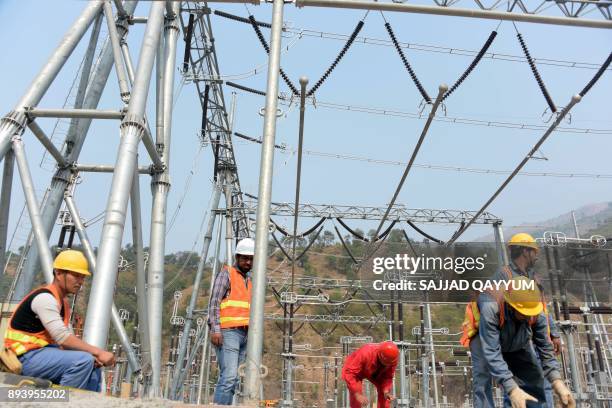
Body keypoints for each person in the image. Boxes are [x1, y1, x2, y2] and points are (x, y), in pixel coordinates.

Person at [4, 250, 115, 391]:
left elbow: (65, 344)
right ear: (58, 273)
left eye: (82, 277)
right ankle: (62, 402)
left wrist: (94, 357)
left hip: (41, 355)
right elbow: (63, 338)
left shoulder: (63, 305)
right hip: (24, 358)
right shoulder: (45, 298)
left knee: (93, 365)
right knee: (83, 361)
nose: (80, 282)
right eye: (76, 276)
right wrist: (99, 352)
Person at [461, 276, 575, 408]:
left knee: (533, 376)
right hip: (483, 336)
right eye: (524, 313)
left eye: (530, 313)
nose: (528, 317)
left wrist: (558, 383)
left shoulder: (535, 312)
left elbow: (546, 349)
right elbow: (492, 352)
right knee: (482, 375)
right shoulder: (490, 306)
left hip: (517, 337)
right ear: (510, 305)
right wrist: (513, 390)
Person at [493, 233, 561, 408]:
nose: (536, 256)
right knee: (517, 388)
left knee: (541, 384)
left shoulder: (534, 278)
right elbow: (495, 313)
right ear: (525, 251)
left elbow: (542, 308)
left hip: (532, 336)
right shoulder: (504, 276)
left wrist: (553, 333)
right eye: (533, 251)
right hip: (511, 341)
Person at [208, 238, 255, 405]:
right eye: (244, 258)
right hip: (228, 333)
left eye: (251, 259)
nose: (248, 262)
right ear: (237, 257)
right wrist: (216, 329)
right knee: (229, 377)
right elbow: (214, 302)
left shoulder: (249, 281)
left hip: (244, 335)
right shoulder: (227, 274)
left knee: (232, 379)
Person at [341, 341, 398, 408]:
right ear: (379, 356)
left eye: (388, 364)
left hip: (376, 372)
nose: (387, 365)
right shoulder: (365, 353)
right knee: (356, 394)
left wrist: (386, 391)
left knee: (385, 396)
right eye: (385, 363)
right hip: (358, 371)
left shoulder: (392, 360)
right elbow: (350, 373)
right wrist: (356, 394)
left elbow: (388, 377)